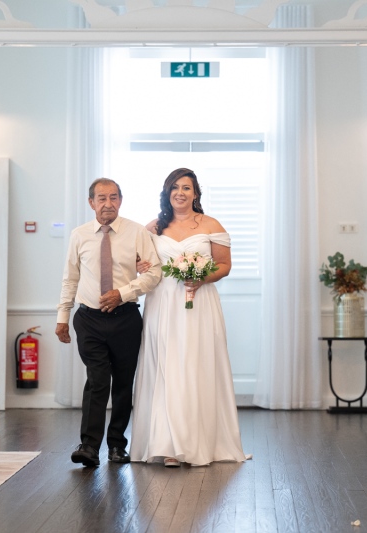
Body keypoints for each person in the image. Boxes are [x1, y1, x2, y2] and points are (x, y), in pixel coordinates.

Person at [130, 168, 246, 467]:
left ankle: (198, 442)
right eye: (174, 188)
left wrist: (202, 278)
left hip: (199, 304)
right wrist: (141, 264)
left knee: (195, 364)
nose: (180, 193)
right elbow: (136, 262)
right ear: (167, 193)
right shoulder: (153, 227)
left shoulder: (211, 224)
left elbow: (224, 265)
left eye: (186, 188)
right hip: (163, 302)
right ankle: (166, 442)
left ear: (196, 193)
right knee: (165, 365)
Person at [56, 178, 162, 467]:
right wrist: (62, 317)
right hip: (88, 318)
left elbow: (154, 274)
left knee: (124, 383)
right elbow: (70, 278)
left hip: (126, 318)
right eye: (101, 198)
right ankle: (89, 446)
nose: (108, 204)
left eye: (113, 197)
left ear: (121, 200)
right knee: (98, 379)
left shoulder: (137, 233)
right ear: (91, 203)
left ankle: (117, 446)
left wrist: (123, 293)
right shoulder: (79, 235)